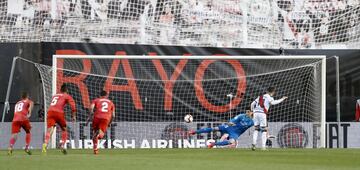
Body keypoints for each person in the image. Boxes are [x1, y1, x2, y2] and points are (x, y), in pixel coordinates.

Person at [189, 110, 254, 148]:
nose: (250, 113)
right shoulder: (241, 116)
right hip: (229, 127)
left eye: (252, 113)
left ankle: (213, 144)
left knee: (231, 142)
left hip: (235, 133)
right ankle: (194, 132)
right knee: (214, 128)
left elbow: (258, 127)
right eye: (250, 112)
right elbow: (231, 121)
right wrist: (230, 123)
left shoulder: (253, 122)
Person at [42, 84, 76, 154]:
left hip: (50, 112)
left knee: (50, 130)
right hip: (59, 113)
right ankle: (62, 145)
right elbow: (73, 106)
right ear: (67, 90)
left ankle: (45, 144)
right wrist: (73, 116)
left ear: (60, 90)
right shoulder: (67, 96)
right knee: (64, 129)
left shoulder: (55, 95)